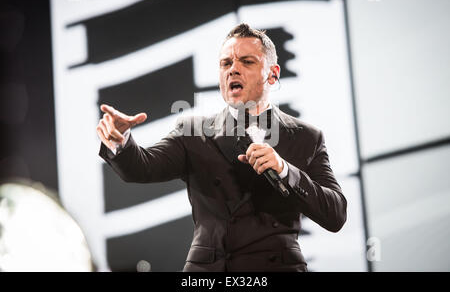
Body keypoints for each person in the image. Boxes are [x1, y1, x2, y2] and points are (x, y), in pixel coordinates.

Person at [97, 23, 347, 272]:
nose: (233, 70)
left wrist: (284, 170)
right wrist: (121, 141)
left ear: (272, 73)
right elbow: (141, 168)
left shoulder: (306, 137)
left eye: (247, 62)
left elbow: (335, 214)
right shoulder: (193, 131)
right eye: (226, 63)